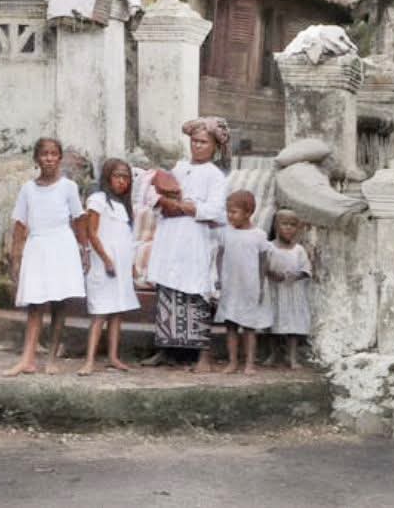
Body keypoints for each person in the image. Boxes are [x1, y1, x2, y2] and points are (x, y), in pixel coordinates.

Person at [145, 116, 229, 373]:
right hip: (171, 236)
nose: (198, 146)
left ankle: (203, 355)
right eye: (194, 141)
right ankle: (166, 349)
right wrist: (165, 203)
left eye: (204, 142)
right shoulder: (179, 168)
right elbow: (159, 195)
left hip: (195, 238)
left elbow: (215, 210)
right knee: (168, 289)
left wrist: (182, 206)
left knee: (196, 291)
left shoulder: (215, 176)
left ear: (214, 146)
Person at [4, 137, 89, 377]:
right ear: (36, 159)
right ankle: (27, 359)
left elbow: (79, 219)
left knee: (60, 304)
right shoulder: (28, 189)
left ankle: (51, 358)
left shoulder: (68, 187)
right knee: (35, 304)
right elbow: (20, 224)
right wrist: (16, 256)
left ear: (60, 158)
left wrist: (86, 250)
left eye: (54, 154)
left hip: (62, 246)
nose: (49, 158)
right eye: (44, 154)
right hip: (38, 247)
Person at [78, 158, 140, 376]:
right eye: (117, 176)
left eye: (126, 177)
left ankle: (114, 357)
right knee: (100, 313)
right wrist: (106, 259)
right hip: (104, 265)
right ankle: (89, 361)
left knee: (117, 312)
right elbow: (92, 233)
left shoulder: (123, 206)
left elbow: (126, 238)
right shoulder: (98, 199)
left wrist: (131, 265)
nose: (122, 181)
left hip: (121, 265)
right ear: (107, 177)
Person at [215, 189, 271, 375]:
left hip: (249, 286)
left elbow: (263, 261)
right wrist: (218, 278)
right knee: (230, 325)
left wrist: (261, 285)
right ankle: (232, 362)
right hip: (231, 285)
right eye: (228, 211)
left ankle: (249, 363)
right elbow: (220, 255)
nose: (230, 216)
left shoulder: (259, 235)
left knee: (249, 326)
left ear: (248, 213)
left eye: (234, 212)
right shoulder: (225, 232)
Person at [266, 208, 313, 368]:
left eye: (293, 225)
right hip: (274, 291)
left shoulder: (299, 250)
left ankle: (292, 357)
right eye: (284, 224)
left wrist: (295, 276)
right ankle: (273, 354)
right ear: (276, 226)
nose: (288, 228)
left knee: (293, 325)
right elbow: (263, 267)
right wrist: (273, 274)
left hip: (293, 292)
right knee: (272, 322)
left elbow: (306, 270)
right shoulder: (269, 247)